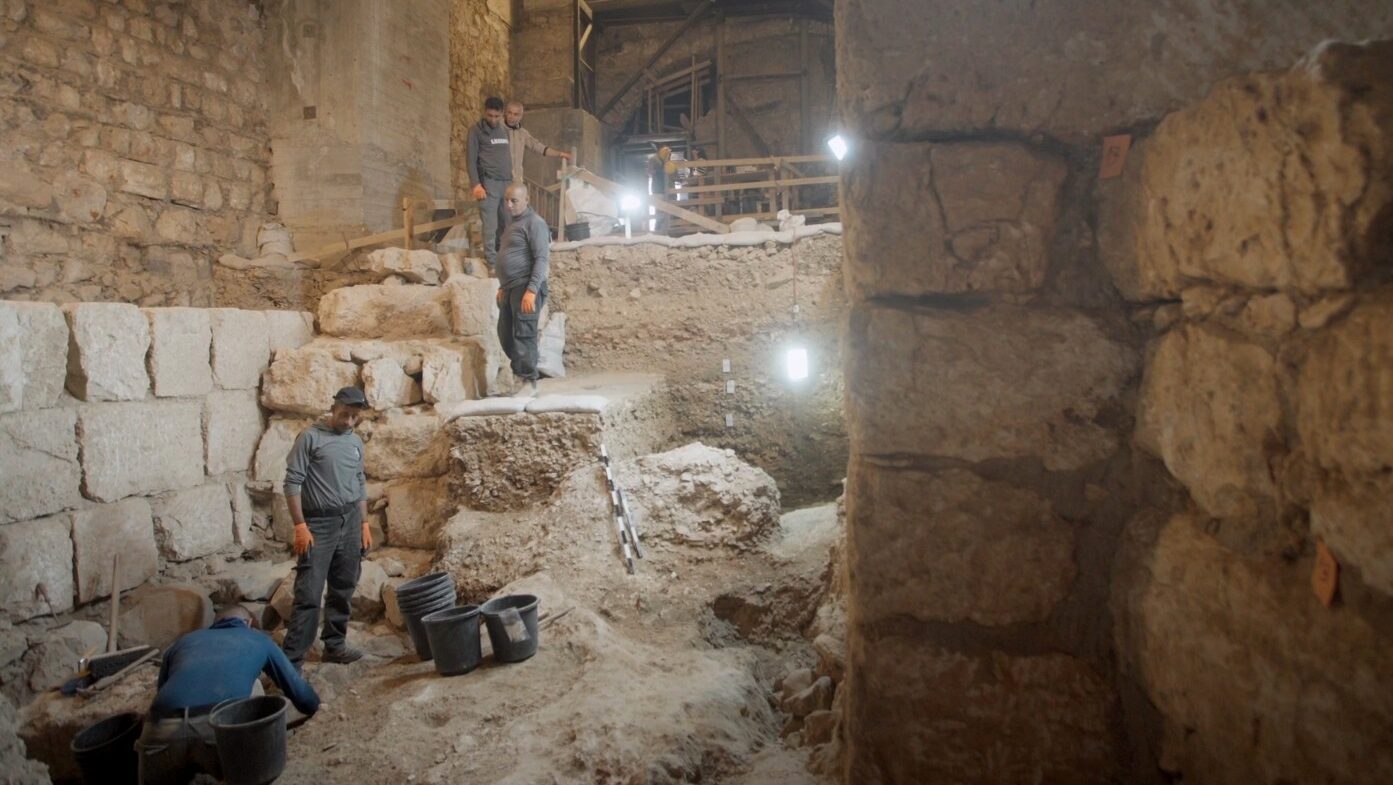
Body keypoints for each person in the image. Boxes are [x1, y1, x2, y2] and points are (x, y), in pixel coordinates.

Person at [136, 605, 319, 785]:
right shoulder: (259, 640)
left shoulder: (183, 642)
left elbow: (162, 690)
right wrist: (316, 706)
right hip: (219, 727)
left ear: (215, 623)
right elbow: (301, 696)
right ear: (247, 623)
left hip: (161, 728)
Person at [281, 386, 371, 668]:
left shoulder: (355, 442)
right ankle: (292, 661)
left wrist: (365, 523)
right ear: (334, 408)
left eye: (353, 417)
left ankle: (334, 645)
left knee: (343, 586)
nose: (348, 421)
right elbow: (292, 482)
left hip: (350, 520)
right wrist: (300, 525)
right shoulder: (310, 438)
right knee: (308, 593)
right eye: (344, 414)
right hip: (318, 523)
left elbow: (360, 483)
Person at [495, 183, 551, 395]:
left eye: (514, 200)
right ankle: (520, 377)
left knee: (523, 335)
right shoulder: (513, 224)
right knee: (506, 334)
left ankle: (528, 382)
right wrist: (503, 286)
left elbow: (541, 258)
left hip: (525, 287)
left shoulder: (535, 223)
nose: (508, 205)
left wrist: (532, 290)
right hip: (510, 288)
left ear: (526, 200)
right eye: (506, 200)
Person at [467, 96, 513, 271]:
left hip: (506, 184)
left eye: (496, 116)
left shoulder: (504, 131)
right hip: (489, 183)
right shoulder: (476, 131)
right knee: (490, 225)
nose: (493, 119)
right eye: (490, 115)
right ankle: (492, 263)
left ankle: (504, 259)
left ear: (502, 114)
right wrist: (475, 184)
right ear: (484, 112)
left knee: (507, 224)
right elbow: (470, 160)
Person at [504, 100, 574, 188]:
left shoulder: (523, 133)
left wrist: (560, 154)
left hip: (516, 180)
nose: (511, 116)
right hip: (500, 179)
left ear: (521, 116)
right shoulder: (498, 130)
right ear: (505, 113)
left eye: (515, 114)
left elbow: (539, 147)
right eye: (509, 113)